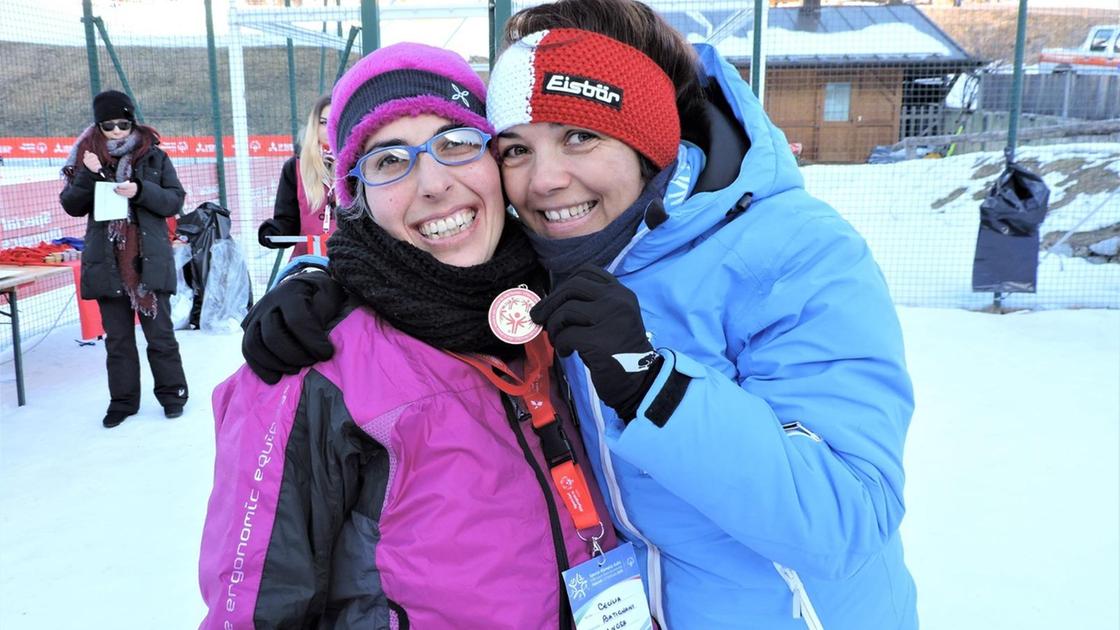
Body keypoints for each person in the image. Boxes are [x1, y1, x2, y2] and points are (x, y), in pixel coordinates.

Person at [240, 1, 918, 627]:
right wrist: (334, 282)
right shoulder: (547, 261)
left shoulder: (793, 250)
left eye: (579, 138)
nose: (544, 181)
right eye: (516, 150)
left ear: (647, 141)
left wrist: (659, 388)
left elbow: (848, 516)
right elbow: (435, 247)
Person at [197, 42, 616, 628]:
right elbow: (254, 610)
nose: (433, 183)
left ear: (497, 162)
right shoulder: (309, 367)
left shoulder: (565, 306)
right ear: (357, 196)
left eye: (456, 144)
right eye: (389, 161)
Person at [60, 89, 189, 428]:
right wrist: (88, 173)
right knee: (118, 341)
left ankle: (172, 394)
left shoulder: (154, 156)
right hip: (107, 262)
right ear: (98, 126)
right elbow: (72, 205)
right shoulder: (86, 156)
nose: (116, 132)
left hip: (148, 260)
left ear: (132, 121)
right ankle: (123, 401)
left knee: (160, 336)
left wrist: (141, 191)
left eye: (122, 124)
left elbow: (175, 200)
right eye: (108, 126)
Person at [257, 94, 337, 257]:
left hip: (352, 262)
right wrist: (274, 232)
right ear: (314, 126)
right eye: (323, 122)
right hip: (308, 261)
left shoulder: (359, 165)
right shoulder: (294, 168)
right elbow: (288, 221)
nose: (329, 129)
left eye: (335, 122)